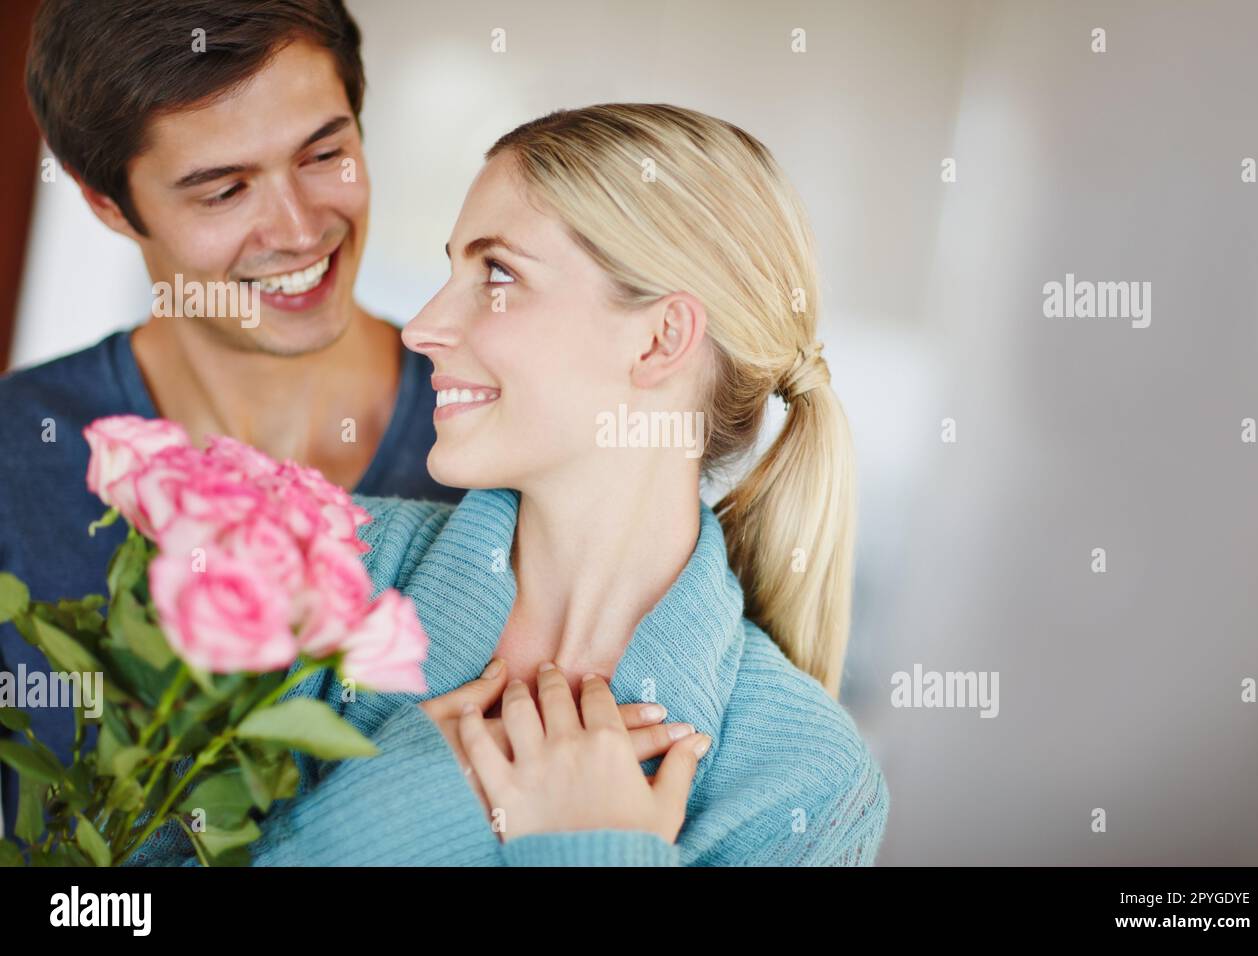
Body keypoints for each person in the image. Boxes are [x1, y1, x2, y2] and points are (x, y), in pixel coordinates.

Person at [129, 103, 890, 866]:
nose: (421, 326)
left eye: (496, 273)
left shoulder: (808, 786)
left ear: (661, 340)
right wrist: (394, 810)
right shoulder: (311, 566)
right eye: (451, 267)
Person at [0, 0, 464, 838]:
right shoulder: (12, 456)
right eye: (224, 190)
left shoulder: (510, 439)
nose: (298, 229)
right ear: (107, 202)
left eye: (325, 152)